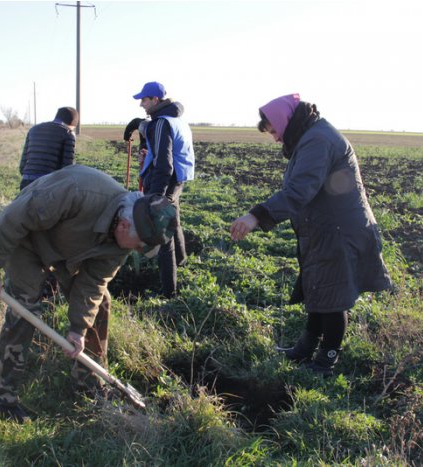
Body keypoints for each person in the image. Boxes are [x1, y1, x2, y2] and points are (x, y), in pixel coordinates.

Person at [0, 164, 177, 422]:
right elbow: (13, 218)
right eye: (140, 245)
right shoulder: (76, 192)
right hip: (27, 241)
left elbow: (94, 281)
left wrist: (78, 329)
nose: (139, 251)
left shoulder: (122, 243)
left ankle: (87, 381)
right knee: (25, 307)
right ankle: (0, 398)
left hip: (67, 252)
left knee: (100, 303)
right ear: (124, 225)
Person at [230, 93, 392, 375]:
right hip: (326, 228)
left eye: (274, 131)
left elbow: (299, 190)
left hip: (338, 231)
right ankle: (305, 348)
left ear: (284, 121)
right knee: (319, 290)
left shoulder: (317, 140)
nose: (276, 139)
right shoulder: (312, 135)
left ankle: (326, 359)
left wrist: (257, 215)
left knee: (332, 297)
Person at [132, 81, 195, 298]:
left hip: (164, 181)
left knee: (162, 234)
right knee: (173, 221)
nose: (141, 104)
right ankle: (181, 262)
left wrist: (157, 195)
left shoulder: (160, 123)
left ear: (155, 100)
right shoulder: (178, 121)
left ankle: (169, 293)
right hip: (178, 180)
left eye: (144, 100)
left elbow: (163, 162)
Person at [18, 106, 78, 190]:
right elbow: (67, 167)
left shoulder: (33, 129)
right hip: (48, 185)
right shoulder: (68, 134)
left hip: (26, 182)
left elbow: (23, 163)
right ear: (72, 123)